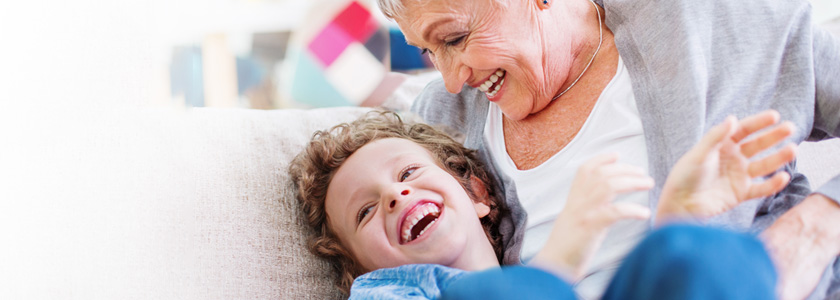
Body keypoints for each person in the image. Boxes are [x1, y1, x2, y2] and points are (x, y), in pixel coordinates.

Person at [375, 0, 840, 298]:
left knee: (689, 258)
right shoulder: (441, 117)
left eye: (455, 38)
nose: (453, 80)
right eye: (429, 53)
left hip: (717, 284)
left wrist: (815, 229)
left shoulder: (706, 20)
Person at [289, 111, 794, 299]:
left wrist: (677, 218)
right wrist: (563, 261)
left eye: (408, 173)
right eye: (365, 212)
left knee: (691, 253)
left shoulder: (532, 273)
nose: (396, 195)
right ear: (360, 271)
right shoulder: (387, 293)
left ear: (477, 195)